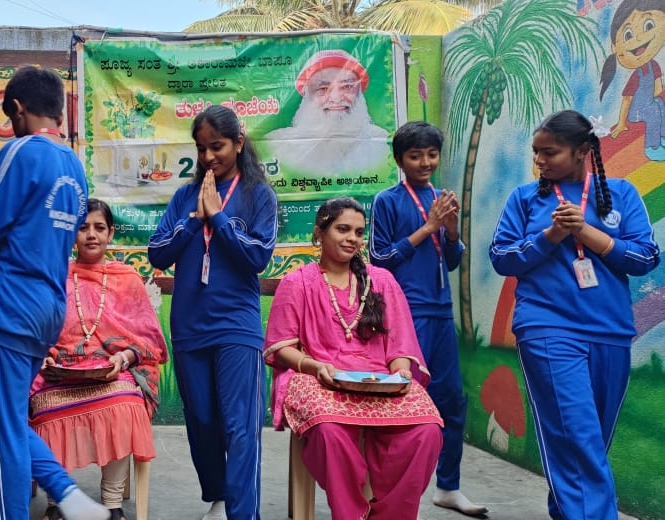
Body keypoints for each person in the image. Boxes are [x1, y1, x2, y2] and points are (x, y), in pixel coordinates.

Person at [490, 110, 660, 520]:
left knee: (590, 440)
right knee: (576, 434)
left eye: (550, 152)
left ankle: (568, 511)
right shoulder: (525, 199)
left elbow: (645, 257)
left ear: (583, 151)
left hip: (611, 331)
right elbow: (502, 258)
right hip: (546, 327)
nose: (540, 161)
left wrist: (587, 233)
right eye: (536, 153)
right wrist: (550, 236)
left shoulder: (621, 194)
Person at [0, 65, 108, 520]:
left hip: (14, 302)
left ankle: (54, 499)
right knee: (6, 420)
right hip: (50, 302)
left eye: (10, 115)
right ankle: (70, 499)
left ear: (18, 109)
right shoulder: (72, 162)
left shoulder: (21, 150)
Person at [264, 197, 443, 520]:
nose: (352, 239)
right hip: (318, 377)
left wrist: (401, 373)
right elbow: (280, 347)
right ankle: (350, 513)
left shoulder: (382, 280)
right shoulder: (298, 282)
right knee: (329, 430)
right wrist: (314, 366)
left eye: (359, 232)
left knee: (427, 429)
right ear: (320, 233)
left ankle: (389, 514)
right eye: (343, 229)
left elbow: (400, 346)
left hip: (379, 380)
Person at [148, 104, 278, 520]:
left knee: (240, 426)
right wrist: (192, 222)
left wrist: (219, 219)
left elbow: (257, 257)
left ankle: (244, 513)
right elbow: (157, 253)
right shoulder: (185, 196)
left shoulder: (259, 194)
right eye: (201, 148)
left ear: (239, 143)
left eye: (217, 147)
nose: (207, 158)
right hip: (189, 324)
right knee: (202, 419)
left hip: (236, 326)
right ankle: (220, 495)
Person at [368, 122, 487, 516]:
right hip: (406, 313)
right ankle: (393, 493)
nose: (425, 162)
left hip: (440, 312)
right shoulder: (387, 200)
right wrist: (429, 228)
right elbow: (379, 259)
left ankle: (448, 487)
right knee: (404, 400)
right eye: (415, 155)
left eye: (431, 154)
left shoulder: (442, 197)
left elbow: (451, 260)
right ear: (400, 160)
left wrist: (450, 233)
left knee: (452, 399)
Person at [30, 199, 168, 520]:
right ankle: (57, 501)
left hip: (113, 371)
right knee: (46, 410)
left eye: (99, 228)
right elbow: (38, 331)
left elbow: (150, 341)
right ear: (72, 234)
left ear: (111, 233)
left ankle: (112, 502)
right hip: (61, 371)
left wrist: (125, 355)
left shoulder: (127, 278)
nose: (91, 235)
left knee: (124, 404)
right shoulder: (55, 277)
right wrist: (46, 358)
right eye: (83, 227)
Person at [264, 49, 391, 176]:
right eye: (323, 89)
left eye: (347, 87)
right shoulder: (276, 145)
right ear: (307, 98)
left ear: (359, 94)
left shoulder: (383, 143)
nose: (336, 98)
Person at [601, 0, 665, 160]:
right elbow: (627, 99)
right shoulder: (636, 75)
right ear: (615, 47)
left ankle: (662, 136)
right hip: (636, 112)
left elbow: (658, 87)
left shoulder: (654, 65)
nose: (639, 38)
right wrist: (621, 123)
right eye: (628, 35)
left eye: (649, 25)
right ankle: (652, 147)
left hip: (649, 103)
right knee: (653, 111)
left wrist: (658, 96)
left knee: (659, 105)